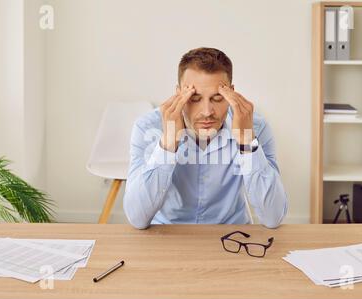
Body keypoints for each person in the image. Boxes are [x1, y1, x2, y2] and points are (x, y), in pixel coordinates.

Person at [123, 47, 288, 229]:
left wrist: (246, 142)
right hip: (167, 234)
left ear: (231, 93)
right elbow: (137, 218)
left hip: (231, 233)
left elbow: (273, 217)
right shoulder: (148, 127)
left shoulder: (254, 127)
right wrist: (168, 144)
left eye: (217, 98)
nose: (207, 112)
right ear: (179, 94)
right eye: (194, 98)